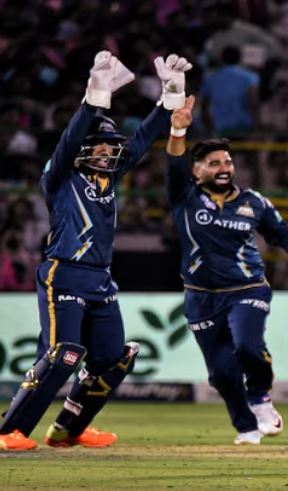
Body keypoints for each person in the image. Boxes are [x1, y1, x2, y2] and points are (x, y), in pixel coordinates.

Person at [0, 52, 191, 451]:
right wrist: (95, 98)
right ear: (83, 148)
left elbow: (141, 142)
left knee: (114, 358)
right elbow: (70, 138)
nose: (107, 153)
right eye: (100, 146)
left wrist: (168, 100)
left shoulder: (110, 177)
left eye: (110, 147)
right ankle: (9, 431)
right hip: (64, 274)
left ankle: (68, 429)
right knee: (64, 354)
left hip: (101, 279)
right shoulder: (59, 177)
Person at [164, 96, 288, 445]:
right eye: (214, 163)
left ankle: (260, 398)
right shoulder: (185, 197)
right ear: (197, 171)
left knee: (247, 346)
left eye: (227, 162)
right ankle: (246, 427)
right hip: (200, 296)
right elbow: (174, 162)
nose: (224, 168)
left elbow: (284, 234)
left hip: (248, 288)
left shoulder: (253, 202)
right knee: (222, 373)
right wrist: (178, 130)